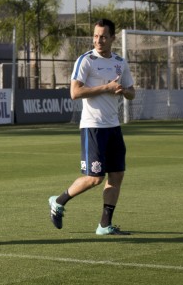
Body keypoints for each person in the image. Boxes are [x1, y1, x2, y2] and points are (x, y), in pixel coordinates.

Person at [48, 18, 135, 235]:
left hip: (113, 126)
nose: (99, 40)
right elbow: (75, 93)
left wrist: (123, 90)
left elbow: (132, 92)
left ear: (113, 38)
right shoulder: (85, 60)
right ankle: (58, 201)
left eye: (103, 36)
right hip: (93, 127)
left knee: (116, 176)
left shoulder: (119, 62)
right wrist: (106, 87)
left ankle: (105, 225)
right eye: (96, 36)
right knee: (95, 178)